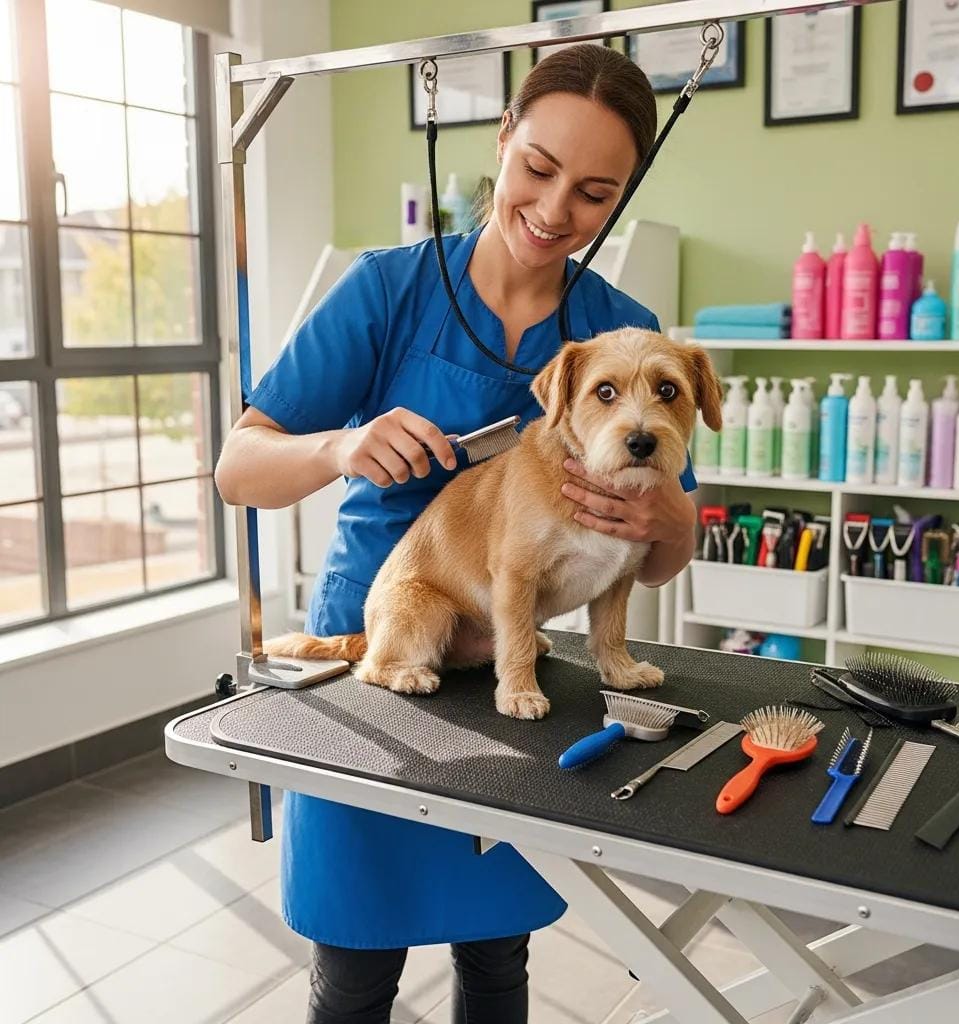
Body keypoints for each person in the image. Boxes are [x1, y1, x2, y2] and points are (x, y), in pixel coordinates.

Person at [215, 42, 698, 1024]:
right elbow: (236, 466)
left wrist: (665, 512)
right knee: (354, 969)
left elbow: (664, 560)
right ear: (501, 141)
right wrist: (339, 447)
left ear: (622, 197)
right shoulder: (386, 290)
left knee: (495, 954)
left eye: (596, 192)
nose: (557, 209)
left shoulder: (620, 333)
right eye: (537, 169)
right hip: (385, 645)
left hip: (512, 667)